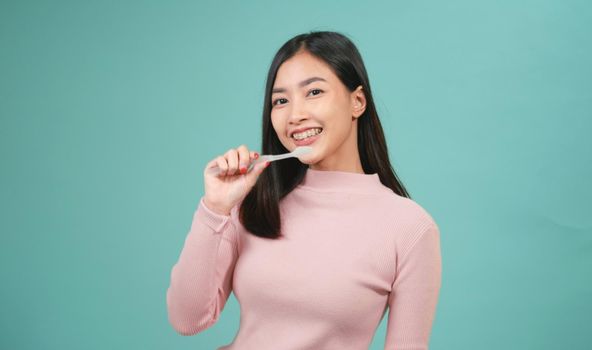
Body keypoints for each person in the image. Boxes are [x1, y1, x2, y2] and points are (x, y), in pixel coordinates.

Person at [166, 30, 442, 350]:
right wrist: (214, 209)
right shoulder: (254, 203)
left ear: (357, 101)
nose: (295, 115)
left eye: (313, 92)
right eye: (281, 100)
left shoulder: (410, 227)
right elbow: (187, 320)